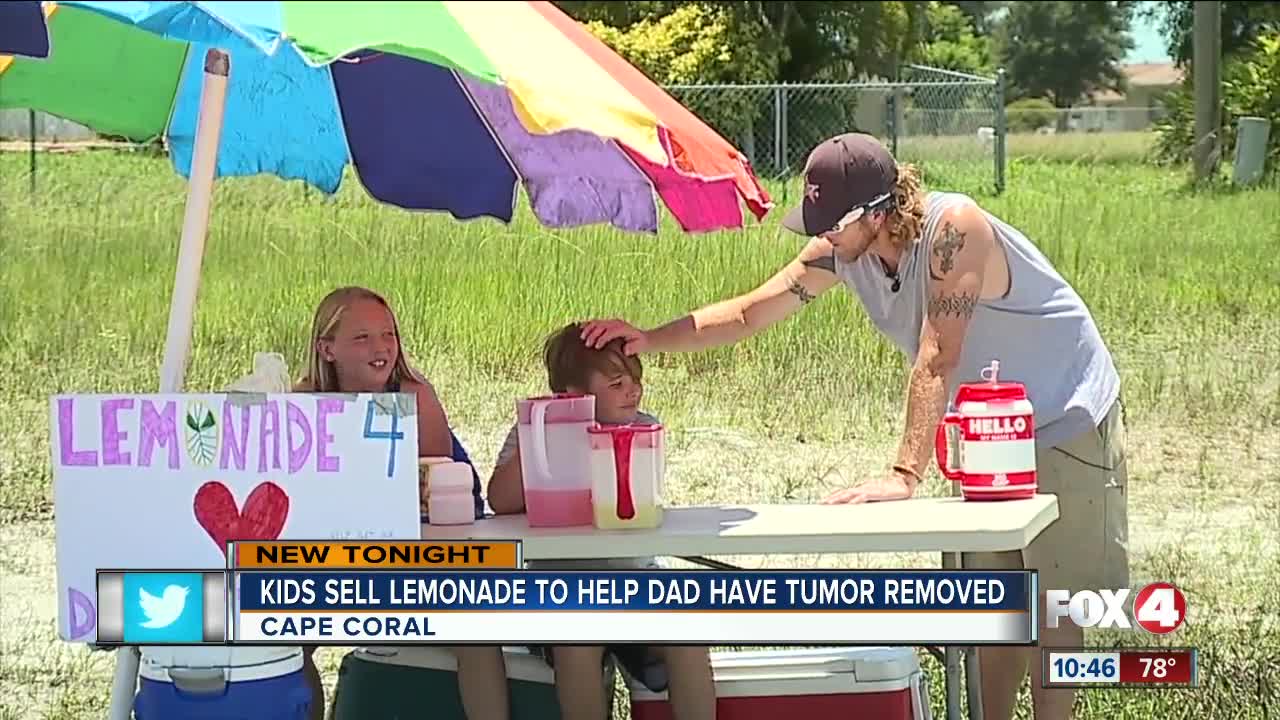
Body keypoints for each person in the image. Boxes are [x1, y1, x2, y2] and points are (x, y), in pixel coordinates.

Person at [579, 133, 1129, 720]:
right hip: (990, 426)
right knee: (997, 608)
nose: (825, 238)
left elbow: (937, 354)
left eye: (833, 224)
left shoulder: (955, 231)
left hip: (1063, 410)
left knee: (1056, 608)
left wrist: (902, 474)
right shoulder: (842, 251)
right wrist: (649, 338)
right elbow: (749, 311)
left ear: (878, 212)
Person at [293, 286, 508, 720]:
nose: (381, 347)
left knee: (476, 633)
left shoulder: (415, 396)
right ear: (326, 349)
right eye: (363, 338)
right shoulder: (303, 404)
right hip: (333, 556)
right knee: (287, 638)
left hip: (420, 553)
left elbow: (440, 499)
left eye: (388, 334)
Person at [488, 322, 717, 720]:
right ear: (573, 394)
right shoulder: (535, 431)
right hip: (564, 591)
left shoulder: (643, 427)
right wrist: (542, 434)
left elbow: (645, 504)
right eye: (616, 383)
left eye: (635, 380)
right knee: (577, 644)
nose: (633, 391)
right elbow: (500, 502)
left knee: (687, 635)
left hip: (636, 583)